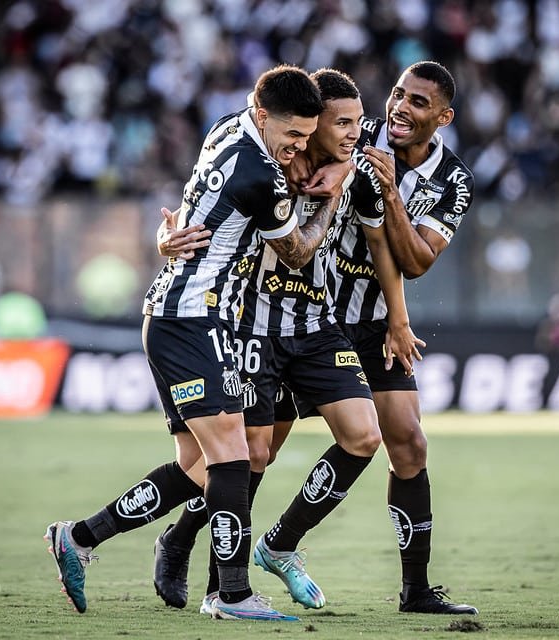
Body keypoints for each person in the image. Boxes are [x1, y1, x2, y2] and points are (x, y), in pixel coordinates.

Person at [44, 63, 353, 622]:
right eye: (293, 137)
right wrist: (332, 194)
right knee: (233, 450)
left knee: (196, 467)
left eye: (307, 138)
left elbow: (194, 215)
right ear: (265, 118)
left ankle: (80, 537)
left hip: (183, 314)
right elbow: (299, 252)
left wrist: (167, 236)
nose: (298, 148)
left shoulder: (226, 127)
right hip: (192, 317)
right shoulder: (261, 173)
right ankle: (231, 594)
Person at [152, 68, 423, 615]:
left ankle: (278, 543)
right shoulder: (251, 145)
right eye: (340, 124)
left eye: (355, 123)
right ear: (309, 122)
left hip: (317, 325)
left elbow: (380, 245)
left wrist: (398, 318)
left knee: (363, 436)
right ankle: (193, 555)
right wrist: (164, 237)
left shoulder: (360, 163)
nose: (353, 132)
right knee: (250, 457)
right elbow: (197, 210)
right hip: (250, 324)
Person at [267, 61, 479, 615]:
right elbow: (305, 159)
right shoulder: (353, 130)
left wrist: (389, 197)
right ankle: (185, 540)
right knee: (257, 448)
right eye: (398, 95)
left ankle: (413, 590)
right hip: (311, 316)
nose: (400, 109)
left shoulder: (453, 181)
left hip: (381, 322)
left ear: (444, 117)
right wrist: (345, 168)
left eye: (418, 103)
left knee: (406, 441)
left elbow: (416, 260)